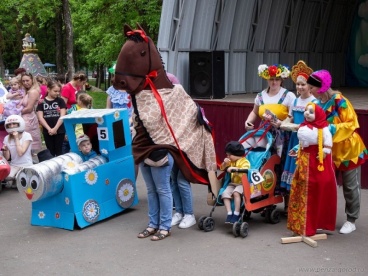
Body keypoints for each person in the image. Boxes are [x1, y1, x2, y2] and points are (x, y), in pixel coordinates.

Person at [306, 69, 368, 234]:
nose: (309, 90)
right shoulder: (318, 104)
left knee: (350, 186)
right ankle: (326, 219)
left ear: (321, 87)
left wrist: (329, 128)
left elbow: (351, 124)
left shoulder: (340, 101)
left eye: (312, 88)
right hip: (328, 151)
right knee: (328, 185)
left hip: (348, 151)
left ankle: (351, 220)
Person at [245, 64, 295, 198]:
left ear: (281, 80)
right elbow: (255, 112)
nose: (274, 82)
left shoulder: (288, 95)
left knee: (281, 163)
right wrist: (248, 121)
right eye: (271, 79)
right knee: (264, 162)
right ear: (266, 79)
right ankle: (266, 195)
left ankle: (285, 199)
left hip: (283, 136)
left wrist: (282, 124)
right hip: (265, 135)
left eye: (277, 79)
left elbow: (293, 116)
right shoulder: (260, 96)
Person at [287, 102, 337, 236]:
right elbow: (302, 143)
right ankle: (300, 224)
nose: (307, 114)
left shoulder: (323, 128)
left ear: (318, 115)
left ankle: (313, 225)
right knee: (301, 190)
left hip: (317, 163)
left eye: (311, 111)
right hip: (304, 161)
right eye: (306, 111)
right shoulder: (303, 126)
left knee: (315, 191)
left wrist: (325, 151)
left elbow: (328, 144)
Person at [279, 61, 316, 211]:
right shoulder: (295, 100)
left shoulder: (314, 101)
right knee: (292, 171)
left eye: (303, 84)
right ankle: (292, 206)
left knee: (303, 173)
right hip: (294, 139)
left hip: (306, 141)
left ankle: (305, 207)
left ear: (309, 86)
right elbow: (291, 118)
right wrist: (283, 123)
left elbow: (316, 124)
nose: (300, 87)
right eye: (298, 84)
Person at [220, 141, 250, 224]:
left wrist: (235, 169)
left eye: (229, 155)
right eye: (227, 155)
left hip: (242, 183)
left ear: (237, 154)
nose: (228, 157)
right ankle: (229, 213)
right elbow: (222, 168)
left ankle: (236, 213)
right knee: (224, 194)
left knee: (236, 193)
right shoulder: (231, 162)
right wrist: (225, 163)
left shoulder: (244, 162)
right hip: (233, 183)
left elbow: (245, 171)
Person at [1, 115, 33, 188]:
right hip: (14, 164)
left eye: (14, 124)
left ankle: (18, 177)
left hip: (26, 164)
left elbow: (20, 153)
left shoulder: (27, 135)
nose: (12, 126)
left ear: (20, 124)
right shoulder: (7, 138)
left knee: (21, 183)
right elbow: (7, 157)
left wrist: (16, 138)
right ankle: (15, 177)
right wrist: (5, 150)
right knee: (8, 183)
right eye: (9, 125)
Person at [36, 80, 66, 157]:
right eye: (55, 91)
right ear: (48, 89)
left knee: (59, 151)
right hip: (47, 131)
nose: (57, 93)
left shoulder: (60, 101)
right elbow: (40, 117)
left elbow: (63, 115)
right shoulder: (42, 102)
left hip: (59, 130)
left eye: (58, 91)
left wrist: (55, 128)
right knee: (50, 151)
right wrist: (49, 129)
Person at [20, 72, 42, 153]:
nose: (25, 83)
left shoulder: (33, 92)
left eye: (27, 80)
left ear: (32, 80)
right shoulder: (27, 91)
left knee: (27, 143)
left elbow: (29, 108)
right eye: (23, 81)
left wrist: (16, 113)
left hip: (29, 119)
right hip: (25, 118)